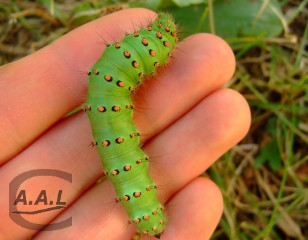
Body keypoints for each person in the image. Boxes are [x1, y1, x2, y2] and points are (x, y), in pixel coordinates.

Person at [0, 8, 250, 240]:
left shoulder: (107, 78)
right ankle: (148, 217)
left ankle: (147, 216)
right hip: (137, 194)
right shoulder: (108, 78)